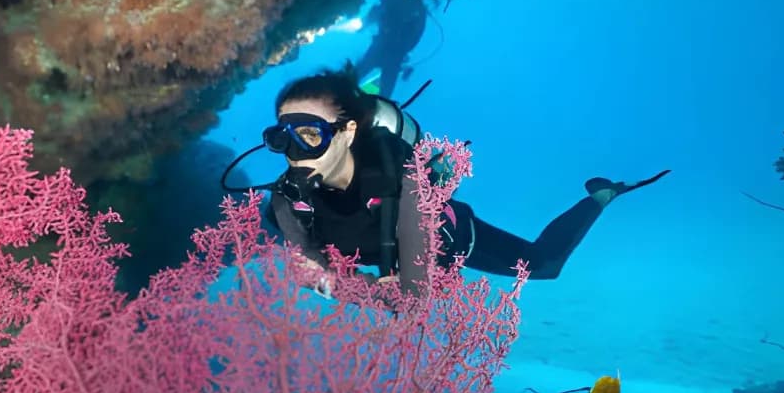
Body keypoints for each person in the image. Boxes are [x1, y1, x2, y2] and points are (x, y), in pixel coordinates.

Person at [262, 70, 669, 290]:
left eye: (310, 135)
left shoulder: (385, 175)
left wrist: (339, 284)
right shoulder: (288, 201)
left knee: (545, 265)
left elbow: (406, 289)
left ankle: (600, 196)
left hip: (456, 240)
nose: (295, 152)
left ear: (348, 132)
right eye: (282, 139)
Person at [354, 0, 428, 99]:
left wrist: (364, 25)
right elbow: (417, 33)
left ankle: (345, 90)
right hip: (392, 51)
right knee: (384, 85)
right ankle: (380, 103)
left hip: (386, 49)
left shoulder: (405, 8)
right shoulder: (409, 8)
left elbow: (371, 18)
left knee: (361, 74)